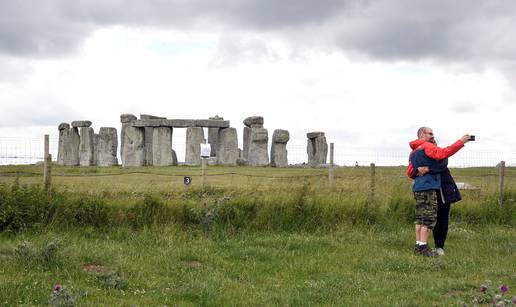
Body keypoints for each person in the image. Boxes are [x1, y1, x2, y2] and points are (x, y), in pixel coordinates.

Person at [407, 127, 471, 256]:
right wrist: (461, 142)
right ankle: (423, 247)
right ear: (422, 135)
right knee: (428, 218)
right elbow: (411, 171)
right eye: (430, 134)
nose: (433, 137)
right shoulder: (424, 149)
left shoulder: (416, 152)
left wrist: (425, 169)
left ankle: (431, 246)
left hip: (438, 188)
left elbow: (440, 164)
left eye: (433, 136)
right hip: (429, 187)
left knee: (432, 218)